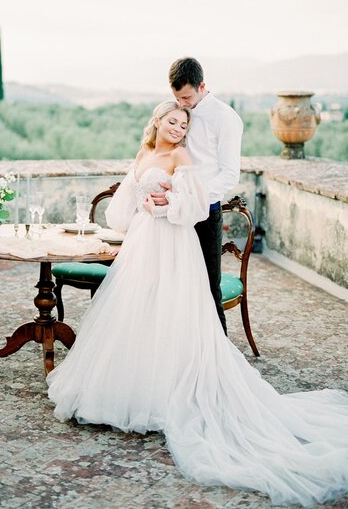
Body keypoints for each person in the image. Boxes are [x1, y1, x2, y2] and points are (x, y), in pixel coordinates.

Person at [47, 101, 348, 507]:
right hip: (141, 243)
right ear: (157, 121)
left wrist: (163, 206)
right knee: (138, 312)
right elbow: (121, 210)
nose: (177, 128)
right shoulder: (144, 154)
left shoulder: (181, 156)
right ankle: (136, 386)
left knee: (174, 312)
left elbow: (194, 207)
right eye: (172, 120)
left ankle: (169, 393)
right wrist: (140, 205)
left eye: (183, 123)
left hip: (172, 242)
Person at [151, 57, 243, 335]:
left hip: (205, 213)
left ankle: (217, 355)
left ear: (202, 85)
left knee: (207, 287)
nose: (182, 103)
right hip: (170, 213)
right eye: (177, 97)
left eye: (187, 97)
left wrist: (193, 199)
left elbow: (229, 174)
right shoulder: (180, 113)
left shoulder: (226, 118)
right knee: (171, 286)